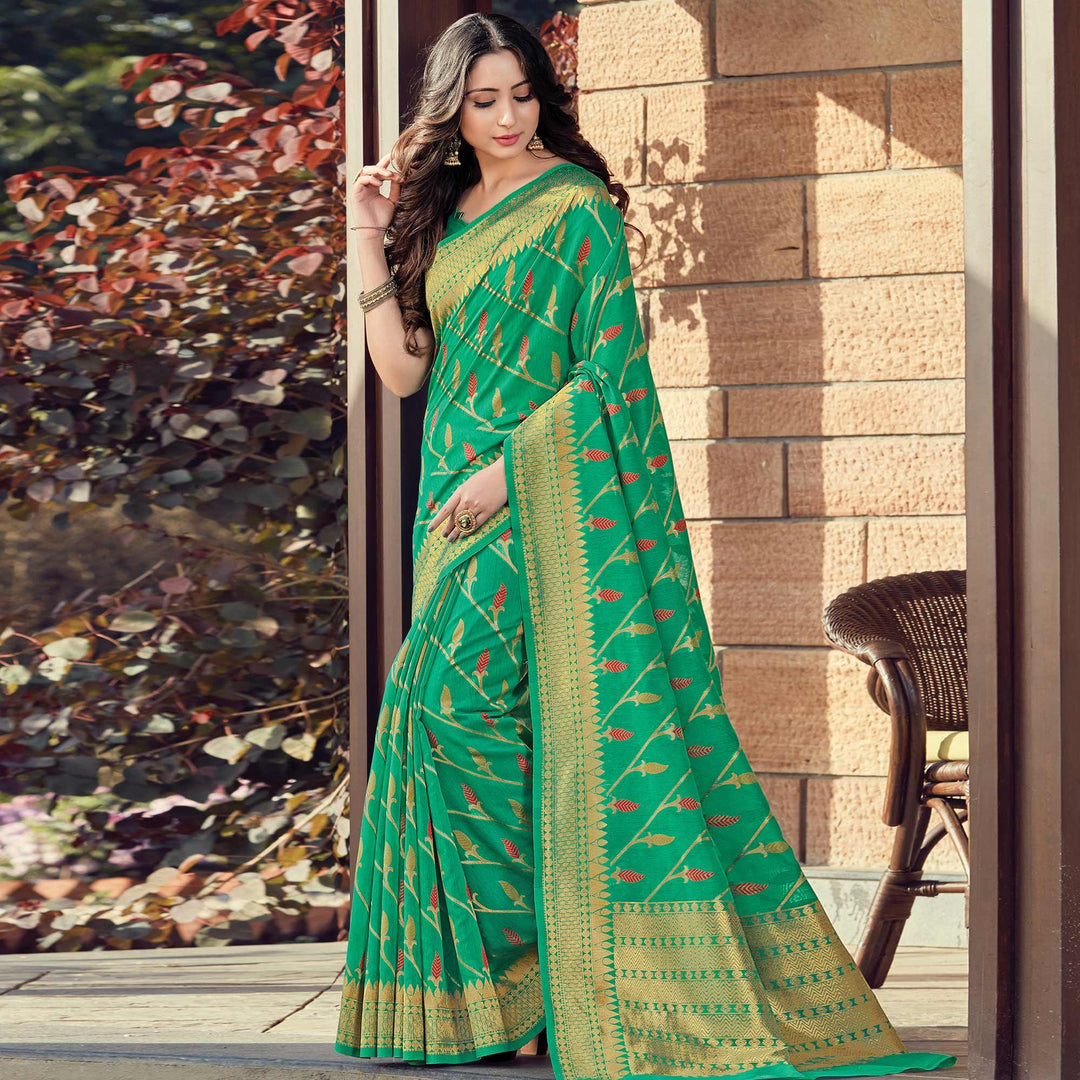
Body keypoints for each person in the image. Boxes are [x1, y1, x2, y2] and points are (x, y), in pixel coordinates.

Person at [334, 12, 956, 1080]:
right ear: (451, 109)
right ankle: (520, 984)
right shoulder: (443, 217)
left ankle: (556, 976)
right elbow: (402, 370)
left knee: (456, 709)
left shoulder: (574, 207)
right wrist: (365, 233)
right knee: (454, 727)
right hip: (452, 508)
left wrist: (507, 470)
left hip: (537, 497)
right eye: (483, 101)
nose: (507, 117)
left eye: (521, 94)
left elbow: (610, 376)